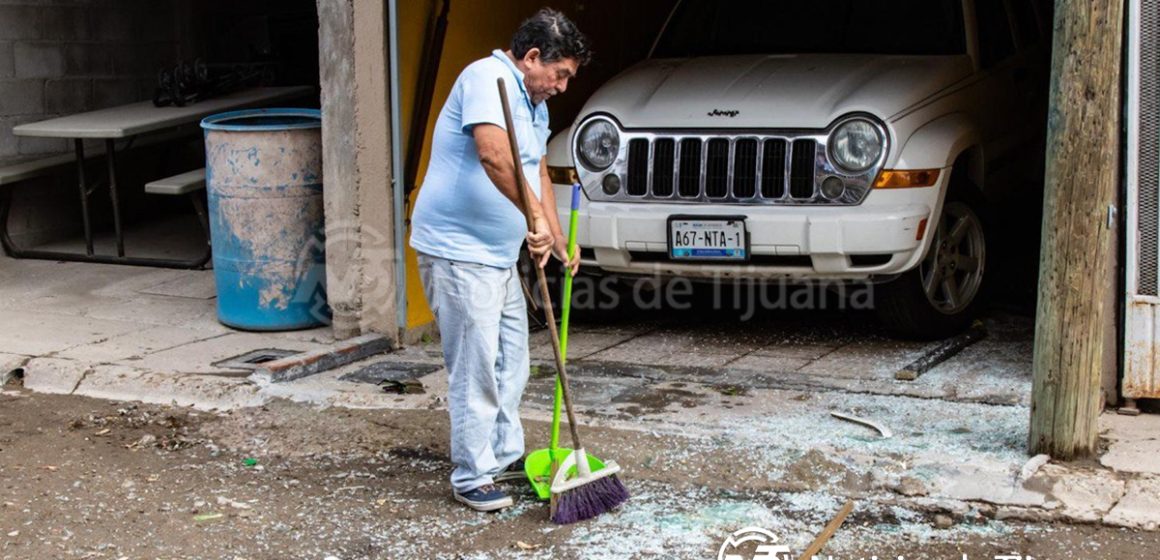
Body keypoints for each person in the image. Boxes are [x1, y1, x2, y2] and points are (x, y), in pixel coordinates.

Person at [408, 8, 591, 512]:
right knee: (476, 366)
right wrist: (532, 218)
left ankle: (504, 454)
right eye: (560, 75)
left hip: (495, 256)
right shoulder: (485, 78)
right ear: (533, 57)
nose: (561, 87)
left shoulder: (534, 105)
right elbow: (494, 155)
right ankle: (472, 474)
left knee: (514, 360)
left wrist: (554, 236)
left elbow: (532, 171)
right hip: (457, 250)